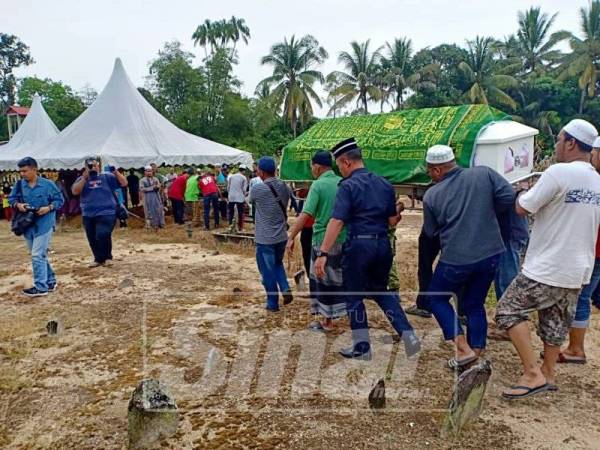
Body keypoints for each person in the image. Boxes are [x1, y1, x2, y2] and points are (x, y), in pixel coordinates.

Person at [495, 119, 600, 400]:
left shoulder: (558, 173)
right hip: (579, 268)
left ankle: (532, 373)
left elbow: (522, 207)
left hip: (547, 266)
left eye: (558, 140)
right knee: (554, 321)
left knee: (506, 310)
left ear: (571, 143)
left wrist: (520, 191)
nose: (556, 146)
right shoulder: (597, 181)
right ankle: (548, 373)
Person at [314, 138, 420, 359]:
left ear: (346, 162)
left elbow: (337, 221)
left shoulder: (348, 186)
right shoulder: (384, 184)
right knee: (382, 292)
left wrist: (323, 253)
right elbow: (392, 221)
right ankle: (409, 336)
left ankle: (362, 347)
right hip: (382, 245)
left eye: (340, 165)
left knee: (353, 296)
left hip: (359, 246)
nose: (340, 170)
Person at [421, 145, 514, 368]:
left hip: (456, 257)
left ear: (436, 170)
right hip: (491, 253)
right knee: (474, 302)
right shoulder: (483, 173)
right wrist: (486, 213)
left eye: (429, 172)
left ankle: (462, 349)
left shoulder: (432, 195)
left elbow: (431, 232)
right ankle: (477, 351)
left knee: (435, 297)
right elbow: (509, 196)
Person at [287, 151, 347, 331]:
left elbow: (306, 214)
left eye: (312, 166)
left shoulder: (318, 185)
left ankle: (327, 322)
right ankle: (345, 313)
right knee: (339, 278)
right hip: (343, 237)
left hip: (322, 239)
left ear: (318, 166)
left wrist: (291, 236)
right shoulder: (342, 183)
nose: (311, 169)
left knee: (322, 280)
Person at [8, 157, 64, 297]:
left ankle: (41, 287)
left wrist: (49, 207)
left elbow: (60, 200)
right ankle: (50, 281)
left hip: (45, 224)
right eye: (20, 171)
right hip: (27, 224)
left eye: (25, 171)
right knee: (40, 255)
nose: (22, 174)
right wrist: (18, 205)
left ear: (34, 169)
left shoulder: (48, 184)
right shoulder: (19, 185)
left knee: (37, 254)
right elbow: (11, 199)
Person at [249, 156, 293, 311]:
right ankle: (285, 287)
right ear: (274, 170)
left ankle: (272, 304)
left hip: (264, 238)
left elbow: (251, 201)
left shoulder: (257, 189)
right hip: (281, 236)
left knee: (267, 272)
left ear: (260, 172)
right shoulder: (285, 187)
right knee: (277, 263)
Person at [72, 157, 128, 267]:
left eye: (94, 165)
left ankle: (107, 257)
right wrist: (84, 177)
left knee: (103, 234)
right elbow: (75, 191)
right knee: (92, 237)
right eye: (90, 166)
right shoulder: (81, 179)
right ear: (85, 167)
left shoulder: (107, 176)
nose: (93, 167)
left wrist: (115, 172)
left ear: (99, 165)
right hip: (88, 213)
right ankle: (98, 258)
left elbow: (124, 183)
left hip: (107, 212)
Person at [140, 166, 166, 230]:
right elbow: (142, 189)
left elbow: (159, 186)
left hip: (156, 196)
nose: (149, 173)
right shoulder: (142, 180)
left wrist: (158, 187)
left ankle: (161, 224)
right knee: (149, 211)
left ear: (152, 172)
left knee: (159, 209)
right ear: (145, 172)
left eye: (150, 171)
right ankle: (152, 225)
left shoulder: (155, 179)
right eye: (147, 171)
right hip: (147, 197)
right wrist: (152, 188)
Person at [227, 165, 248, 231]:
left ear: (239, 169)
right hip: (239, 197)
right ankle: (240, 228)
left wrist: (230, 194)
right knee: (240, 213)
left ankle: (230, 226)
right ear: (244, 170)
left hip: (231, 197)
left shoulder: (232, 176)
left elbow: (228, 187)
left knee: (231, 212)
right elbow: (244, 189)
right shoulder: (243, 178)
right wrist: (245, 195)